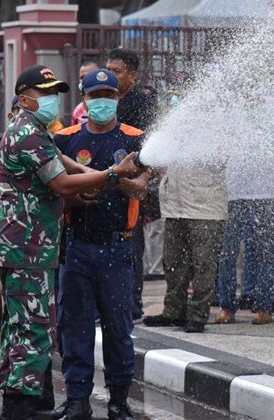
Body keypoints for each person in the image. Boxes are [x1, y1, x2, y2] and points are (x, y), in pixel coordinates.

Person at [0, 64, 140, 420]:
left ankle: (40, 399)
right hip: (31, 249)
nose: (51, 100)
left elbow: (67, 169)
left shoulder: (38, 131)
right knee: (34, 328)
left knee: (32, 326)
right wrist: (111, 175)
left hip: (53, 248)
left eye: (55, 93)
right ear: (24, 95)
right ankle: (24, 408)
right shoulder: (29, 133)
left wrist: (94, 185)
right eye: (44, 93)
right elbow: (60, 183)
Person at [55, 68, 150, 420]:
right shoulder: (64, 140)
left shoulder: (136, 138)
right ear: (83, 99)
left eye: (109, 96)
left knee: (118, 326)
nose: (102, 103)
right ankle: (77, 401)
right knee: (73, 325)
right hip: (76, 246)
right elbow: (56, 186)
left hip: (118, 247)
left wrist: (117, 178)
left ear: (118, 99)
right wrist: (97, 179)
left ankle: (118, 401)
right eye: (95, 97)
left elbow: (140, 187)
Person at [216, 96, 274, 325]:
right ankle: (226, 306)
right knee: (228, 253)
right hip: (234, 193)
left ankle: (264, 306)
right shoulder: (231, 111)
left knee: (265, 252)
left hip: (265, 193)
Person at [143, 161, 227, 333]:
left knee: (203, 264)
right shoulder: (174, 136)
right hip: (174, 206)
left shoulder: (218, 135)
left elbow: (221, 160)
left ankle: (197, 315)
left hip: (206, 208)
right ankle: (173, 311)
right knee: (173, 262)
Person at [106, 48, 156, 321]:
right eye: (108, 69)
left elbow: (144, 148)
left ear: (132, 75)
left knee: (131, 247)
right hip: (105, 185)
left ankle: (132, 306)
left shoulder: (140, 103)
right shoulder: (106, 100)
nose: (110, 75)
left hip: (131, 187)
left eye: (116, 71)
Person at [71, 61, 99, 125]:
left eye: (89, 76)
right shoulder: (78, 111)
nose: (85, 80)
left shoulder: (110, 106)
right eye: (82, 77)